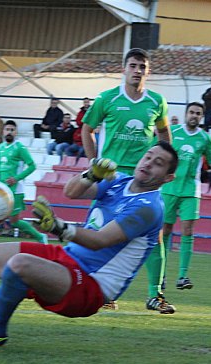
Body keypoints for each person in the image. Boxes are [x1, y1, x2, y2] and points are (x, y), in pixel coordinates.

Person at [0, 143, 179, 344]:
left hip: (90, 286)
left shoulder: (148, 207)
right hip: (68, 259)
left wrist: (61, 228)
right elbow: (73, 192)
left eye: (159, 163)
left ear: (167, 177)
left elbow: (101, 241)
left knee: (20, 265)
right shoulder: (120, 182)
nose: (149, 163)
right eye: (149, 157)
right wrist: (91, 174)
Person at [81, 48, 171, 310]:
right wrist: (93, 164)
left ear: (148, 71)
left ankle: (156, 295)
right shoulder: (106, 99)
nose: (137, 71)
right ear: (124, 69)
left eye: (142, 66)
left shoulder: (157, 101)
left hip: (143, 179)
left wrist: (163, 169)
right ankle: (94, 290)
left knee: (155, 236)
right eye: (133, 65)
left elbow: (164, 135)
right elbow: (87, 130)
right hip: (110, 178)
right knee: (98, 232)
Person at [161, 102, 211, 290]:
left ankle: (183, 276)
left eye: (198, 113)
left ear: (201, 117)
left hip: (191, 190)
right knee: (165, 232)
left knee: (188, 231)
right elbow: (157, 151)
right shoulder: (172, 132)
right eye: (191, 112)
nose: (194, 116)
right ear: (185, 114)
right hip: (168, 188)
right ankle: (161, 274)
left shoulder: (205, 139)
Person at [0, 120, 47, 244]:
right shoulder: (1, 147)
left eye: (12, 130)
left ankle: (40, 237)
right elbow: (1, 165)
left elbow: (32, 166)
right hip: (1, 189)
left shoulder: (20, 148)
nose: (9, 132)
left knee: (14, 222)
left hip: (15, 190)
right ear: (3, 131)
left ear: (16, 132)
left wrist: (16, 179)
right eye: (7, 129)